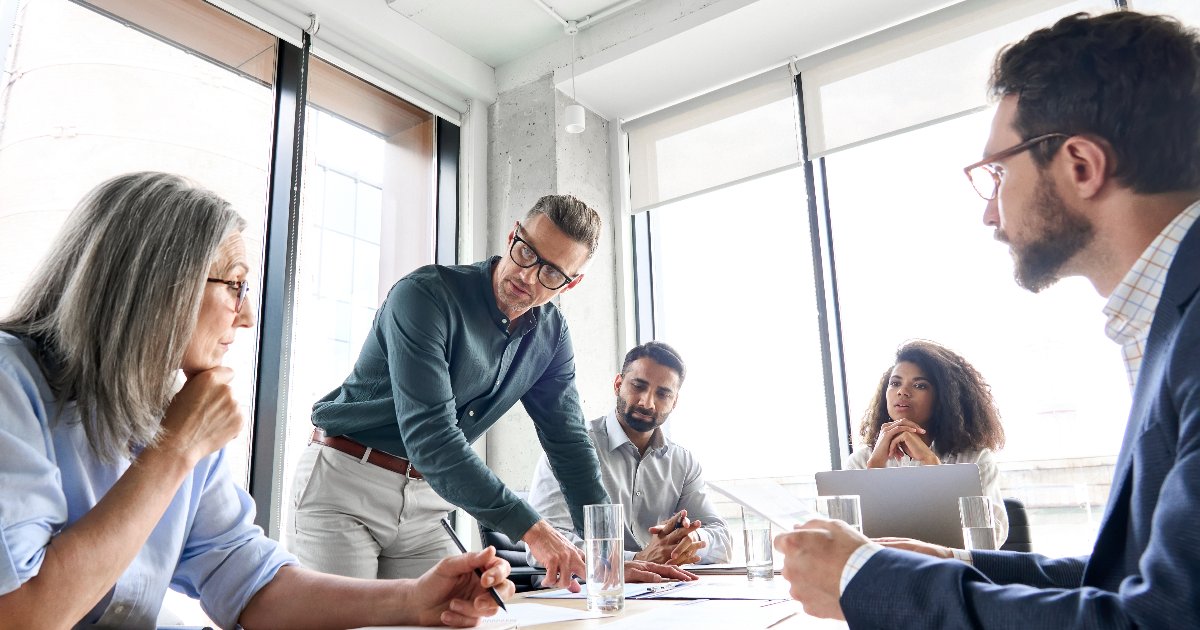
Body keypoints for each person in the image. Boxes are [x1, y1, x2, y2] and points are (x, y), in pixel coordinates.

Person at [774, 10, 1200, 627]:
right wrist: (952, 561)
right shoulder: (1165, 323)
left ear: (1081, 164)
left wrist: (870, 582)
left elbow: (1159, 622)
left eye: (998, 173)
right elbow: (1130, 581)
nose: (989, 214)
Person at [0, 172, 514, 628]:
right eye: (236, 286)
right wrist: (175, 451)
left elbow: (246, 578)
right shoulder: (12, 384)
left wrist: (413, 600)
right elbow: (22, 614)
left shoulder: (180, 412)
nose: (246, 319)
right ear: (156, 285)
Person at [291, 194, 689, 588]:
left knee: (465, 620)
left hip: (425, 504)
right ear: (513, 235)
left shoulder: (550, 336)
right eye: (526, 253)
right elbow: (432, 437)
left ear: (572, 283)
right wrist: (534, 530)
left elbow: (569, 445)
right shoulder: (425, 296)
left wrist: (610, 557)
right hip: (346, 485)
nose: (528, 277)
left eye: (552, 273)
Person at [527, 341, 731, 573]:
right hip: (584, 592)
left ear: (674, 402)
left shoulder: (683, 463)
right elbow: (545, 543)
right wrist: (636, 559)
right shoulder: (568, 447)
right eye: (638, 386)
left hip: (658, 591)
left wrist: (690, 540)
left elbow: (722, 540)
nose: (647, 402)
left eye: (663, 394)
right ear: (618, 384)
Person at [847, 339, 1007, 544]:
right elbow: (847, 546)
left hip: (950, 572)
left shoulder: (975, 460)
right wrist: (874, 472)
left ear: (943, 398)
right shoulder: (861, 461)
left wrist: (932, 465)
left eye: (919, 385)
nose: (902, 391)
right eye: (895, 383)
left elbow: (988, 540)